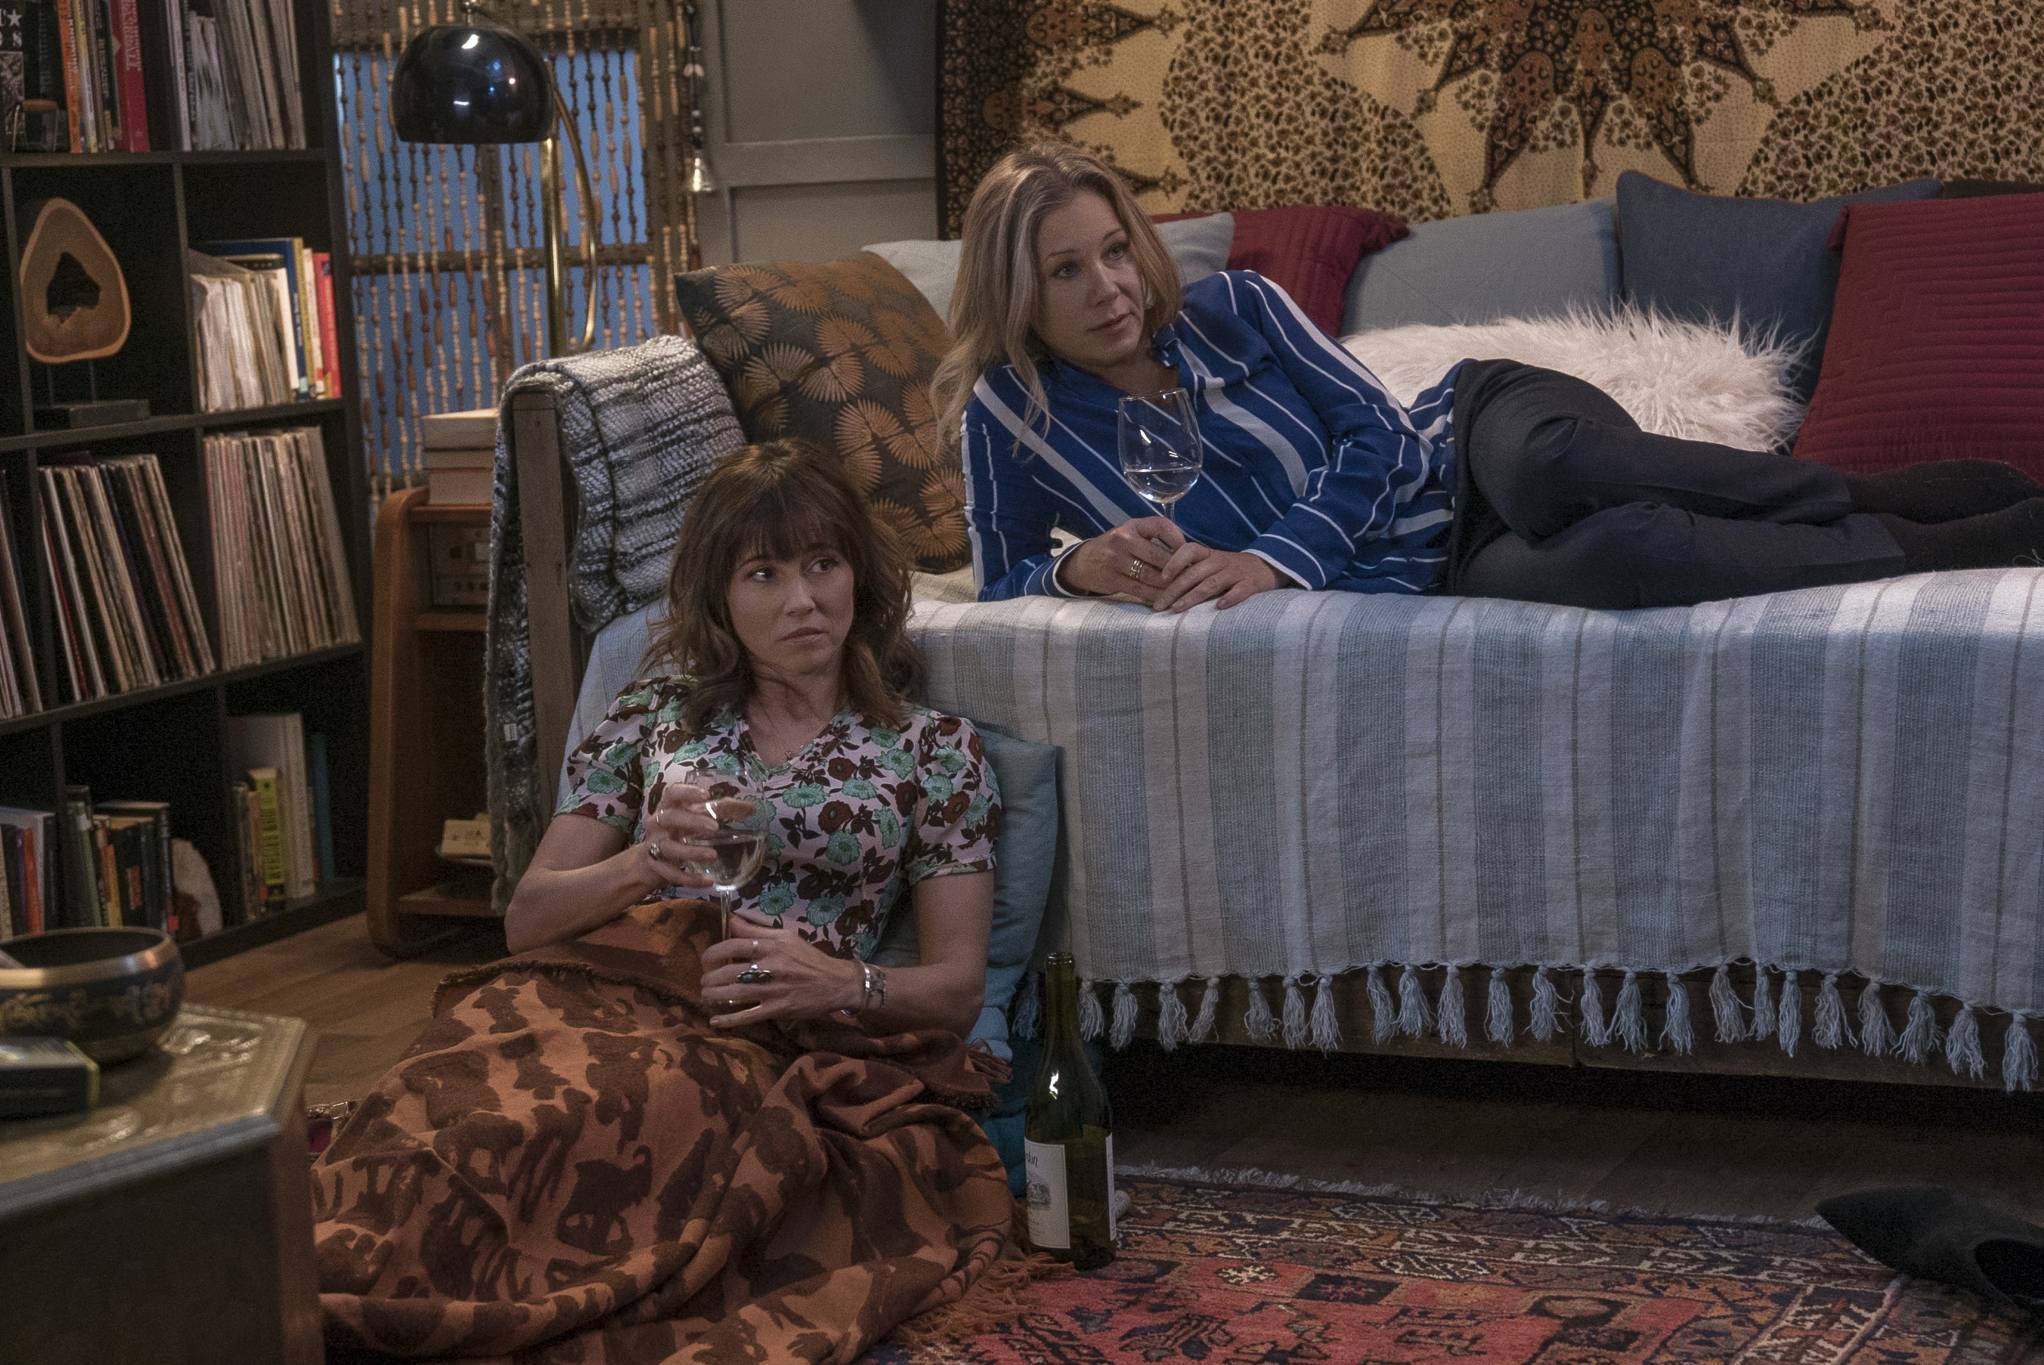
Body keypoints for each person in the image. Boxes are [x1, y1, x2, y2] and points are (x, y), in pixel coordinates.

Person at [312, 441, 1021, 1364]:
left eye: (823, 563)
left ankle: (436, 1319)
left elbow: (958, 989)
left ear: (860, 574)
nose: (802, 600)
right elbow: (528, 919)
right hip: (599, 980)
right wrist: (644, 862)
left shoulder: (934, 751)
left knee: (594, 1121)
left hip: (754, 1023)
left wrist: (842, 982)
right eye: (764, 574)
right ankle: (306, 1288)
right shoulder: (657, 712)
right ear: (719, 596)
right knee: (441, 1097)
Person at [933, 141, 2044, 611]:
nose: (1112, 288)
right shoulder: (1008, 414)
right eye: (1066, 271)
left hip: (1464, 435)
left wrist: (1272, 561)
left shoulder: (1236, 306)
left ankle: (1867, 490)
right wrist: (1077, 570)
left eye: (1115, 250)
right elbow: (998, 580)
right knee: (1624, 555)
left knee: (1559, 473)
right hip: (1429, 564)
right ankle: (1948, 547)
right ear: (1014, 290)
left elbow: (1378, 432)